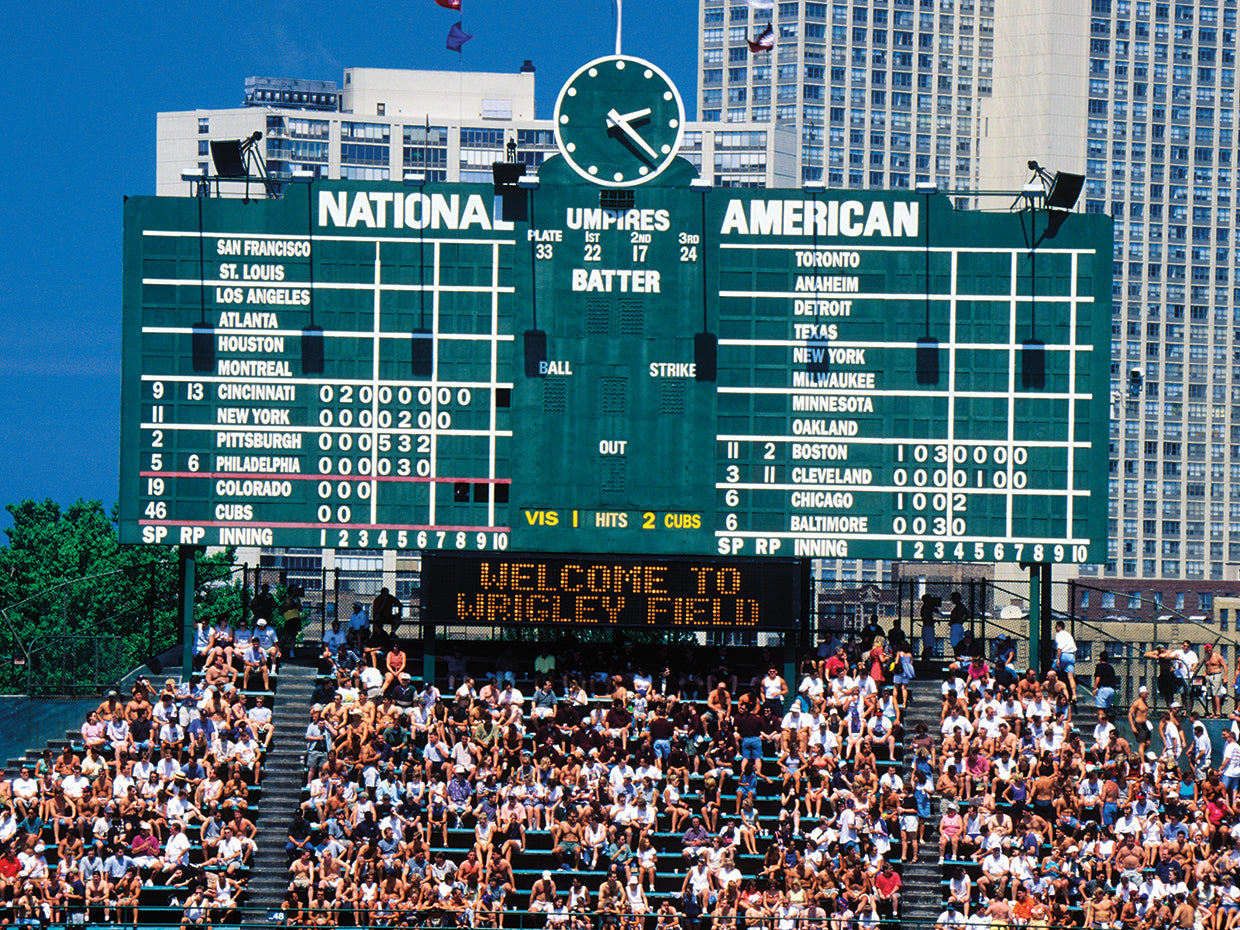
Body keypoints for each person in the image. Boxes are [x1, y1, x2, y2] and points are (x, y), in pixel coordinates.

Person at [1053, 621, 1077, 703]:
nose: (1055, 628)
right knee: (1070, 677)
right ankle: (1074, 695)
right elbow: (1074, 648)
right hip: (1071, 656)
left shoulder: (1059, 635)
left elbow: (1059, 648)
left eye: (1056, 626)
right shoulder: (1068, 635)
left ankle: (1055, 690)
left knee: (1053, 671)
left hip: (1063, 655)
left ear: (1059, 627)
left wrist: (1058, 659)